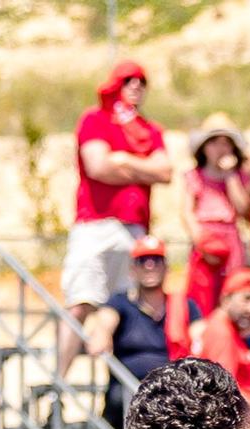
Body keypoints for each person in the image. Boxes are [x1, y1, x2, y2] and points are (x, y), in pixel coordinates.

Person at [60, 60, 171, 376]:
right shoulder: (95, 119)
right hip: (96, 224)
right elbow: (97, 167)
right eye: (128, 80)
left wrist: (122, 159)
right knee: (81, 301)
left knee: (128, 312)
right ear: (114, 85)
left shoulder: (150, 130)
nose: (136, 85)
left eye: (141, 81)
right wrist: (139, 166)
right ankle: (59, 382)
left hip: (135, 228)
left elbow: (164, 171)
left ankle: (119, 394)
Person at [81, 236, 200, 429]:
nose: (150, 266)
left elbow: (203, 338)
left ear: (166, 267)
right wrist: (102, 333)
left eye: (156, 259)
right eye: (142, 260)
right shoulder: (120, 303)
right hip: (128, 393)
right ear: (132, 269)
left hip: (173, 392)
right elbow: (104, 323)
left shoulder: (185, 306)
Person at [180, 113, 250, 316]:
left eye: (225, 143)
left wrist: (230, 176)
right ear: (204, 147)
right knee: (202, 294)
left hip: (230, 237)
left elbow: (243, 208)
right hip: (205, 237)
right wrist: (199, 238)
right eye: (213, 142)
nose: (219, 149)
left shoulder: (237, 177)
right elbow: (186, 211)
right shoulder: (195, 175)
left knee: (233, 290)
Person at [190, 268, 250, 412]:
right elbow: (222, 392)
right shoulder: (221, 332)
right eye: (247, 299)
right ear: (226, 300)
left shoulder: (230, 328)